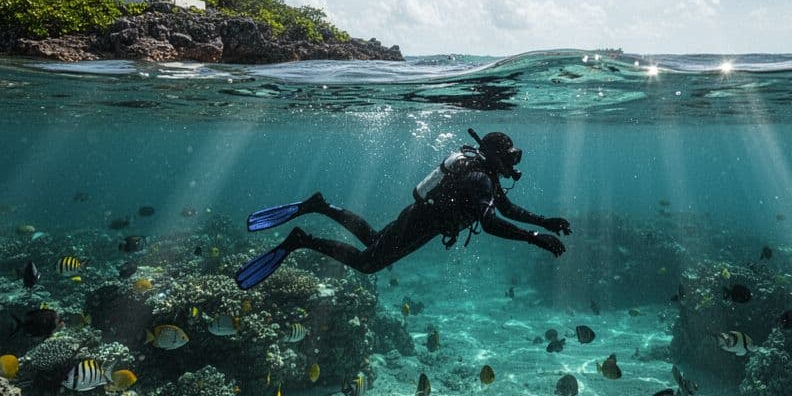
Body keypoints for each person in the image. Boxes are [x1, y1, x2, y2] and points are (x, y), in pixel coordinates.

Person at [235, 129, 571, 289]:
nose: (513, 163)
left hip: (420, 218)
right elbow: (491, 223)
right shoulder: (481, 177)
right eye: (511, 157)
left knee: (372, 238)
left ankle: (320, 206)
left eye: (515, 156)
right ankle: (301, 239)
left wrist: (545, 221)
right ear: (496, 156)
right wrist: (534, 237)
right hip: (422, 223)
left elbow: (507, 208)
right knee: (368, 264)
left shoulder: (486, 174)